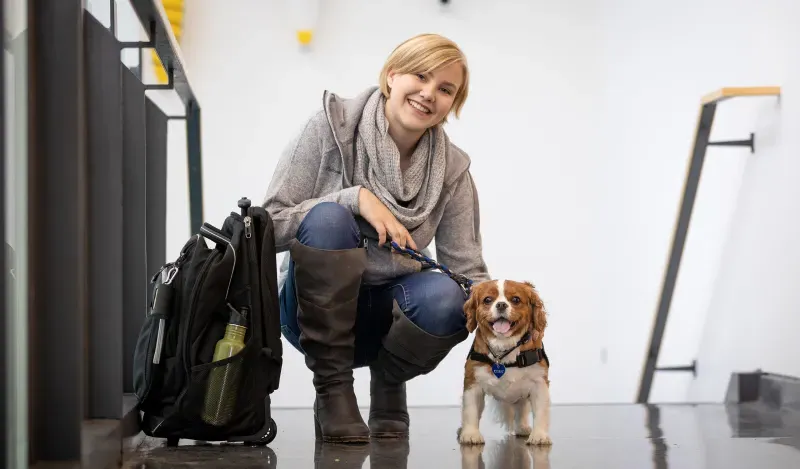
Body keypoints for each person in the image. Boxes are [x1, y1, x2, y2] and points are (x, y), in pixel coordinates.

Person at [262, 33, 491, 444]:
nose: (428, 94)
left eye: (445, 89)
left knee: (449, 297)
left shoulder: (453, 170)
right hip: (312, 312)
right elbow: (269, 225)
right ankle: (333, 391)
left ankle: (389, 383)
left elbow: (467, 272)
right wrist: (356, 199)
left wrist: (503, 315)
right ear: (391, 76)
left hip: (390, 317)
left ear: (452, 105)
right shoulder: (329, 127)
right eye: (419, 76)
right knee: (330, 218)